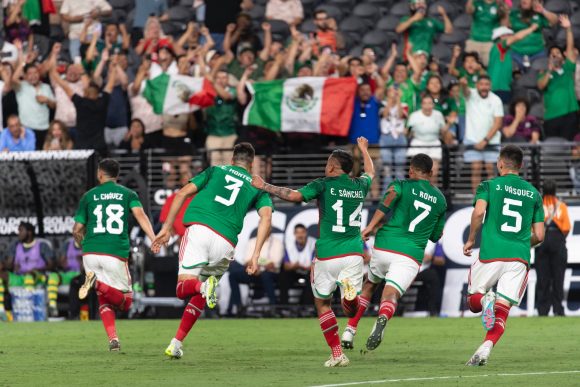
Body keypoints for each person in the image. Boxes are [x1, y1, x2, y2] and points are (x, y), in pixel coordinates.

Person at [252, 137, 375, 367]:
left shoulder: (323, 184)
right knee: (351, 306)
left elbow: (294, 196)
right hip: (353, 253)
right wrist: (364, 150)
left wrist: (265, 186)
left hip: (327, 253)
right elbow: (370, 172)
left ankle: (337, 353)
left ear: (331, 166)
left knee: (322, 303)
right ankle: (349, 295)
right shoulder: (360, 185)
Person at [152, 143, 273, 360]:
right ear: (252, 163)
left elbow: (181, 194)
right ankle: (176, 343)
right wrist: (255, 255)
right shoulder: (257, 185)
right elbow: (266, 217)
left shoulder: (215, 170)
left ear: (232, 159)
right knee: (201, 293)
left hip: (199, 230)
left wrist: (166, 228)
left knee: (183, 289)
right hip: (226, 243)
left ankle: (201, 286)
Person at [341, 154, 447, 351]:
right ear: (431, 173)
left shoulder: (401, 185)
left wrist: (371, 226)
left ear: (411, 171)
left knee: (369, 286)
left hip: (385, 246)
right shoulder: (440, 200)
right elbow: (434, 236)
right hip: (410, 254)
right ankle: (383, 316)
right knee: (391, 294)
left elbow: (388, 201)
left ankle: (349, 330)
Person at [463, 145, 545, 366]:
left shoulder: (488, 185)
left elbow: (479, 212)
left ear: (500, 163)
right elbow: (539, 235)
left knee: (473, 301)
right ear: (521, 166)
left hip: (491, 252)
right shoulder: (534, 194)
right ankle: (485, 348)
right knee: (503, 309)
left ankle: (485, 300)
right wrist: (519, 241)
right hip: (518, 257)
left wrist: (471, 239)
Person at [73, 159, 157, 351]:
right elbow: (141, 216)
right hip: (114, 252)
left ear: (99, 174)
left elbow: (77, 229)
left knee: (104, 298)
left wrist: (82, 244)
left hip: (90, 253)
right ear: (117, 176)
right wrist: (153, 238)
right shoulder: (128, 194)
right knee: (126, 302)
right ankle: (96, 282)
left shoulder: (88, 196)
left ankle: (113, 339)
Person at [49, 50, 117, 155]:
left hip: (83, 146)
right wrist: (114, 67)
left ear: (85, 93)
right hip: (99, 146)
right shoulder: (102, 101)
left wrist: (54, 74)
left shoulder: (80, 102)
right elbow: (110, 85)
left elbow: (65, 87)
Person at [537, 15, 579, 141]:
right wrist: (549, 70)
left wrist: (568, 29)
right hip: (551, 117)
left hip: (569, 115)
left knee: (568, 150)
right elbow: (541, 86)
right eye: (552, 54)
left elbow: (570, 48)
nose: (555, 56)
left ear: (563, 56)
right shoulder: (544, 73)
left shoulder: (568, 69)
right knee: (553, 149)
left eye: (558, 53)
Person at [461, 75, 504, 193]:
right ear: (477, 85)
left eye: (487, 84)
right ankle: (476, 199)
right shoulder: (471, 95)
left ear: (490, 86)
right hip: (472, 139)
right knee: (476, 169)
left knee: (491, 170)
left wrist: (485, 140)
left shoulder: (496, 100)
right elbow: (465, 91)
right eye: (481, 84)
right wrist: (464, 84)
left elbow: (498, 122)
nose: (484, 87)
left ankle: (492, 198)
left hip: (492, 140)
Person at [535, 180, 570, 317]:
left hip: (542, 239)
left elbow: (532, 225)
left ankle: (542, 310)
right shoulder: (561, 205)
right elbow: (566, 228)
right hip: (557, 240)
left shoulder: (537, 205)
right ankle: (558, 310)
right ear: (555, 190)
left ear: (543, 190)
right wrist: (559, 240)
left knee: (542, 277)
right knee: (558, 277)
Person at [227, 234, 284, 316]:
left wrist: (258, 266)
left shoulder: (277, 243)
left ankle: (273, 307)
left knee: (266, 275)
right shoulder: (252, 242)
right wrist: (257, 266)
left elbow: (274, 264)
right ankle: (239, 307)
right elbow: (247, 261)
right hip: (254, 272)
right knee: (233, 275)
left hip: (270, 274)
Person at [406, 95, 453, 185]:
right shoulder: (414, 116)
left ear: (433, 105)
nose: (427, 106)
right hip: (418, 143)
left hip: (434, 143)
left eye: (430, 103)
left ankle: (431, 196)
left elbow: (443, 132)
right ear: (421, 105)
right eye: (425, 103)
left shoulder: (438, 115)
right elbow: (408, 132)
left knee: (433, 173)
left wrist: (449, 124)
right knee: (416, 173)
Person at [488, 25, 539, 104]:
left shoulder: (506, 52)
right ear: (501, 37)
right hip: (497, 88)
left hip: (503, 88)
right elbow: (517, 37)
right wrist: (531, 29)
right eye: (508, 35)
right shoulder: (499, 45)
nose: (511, 37)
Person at [11, 61, 55, 149]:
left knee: (43, 157)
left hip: (44, 127)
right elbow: (13, 80)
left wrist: (47, 100)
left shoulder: (46, 87)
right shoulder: (22, 86)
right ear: (25, 76)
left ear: (39, 74)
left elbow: (53, 106)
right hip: (27, 128)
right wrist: (22, 62)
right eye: (30, 73)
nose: (33, 75)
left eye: (35, 72)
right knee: (28, 156)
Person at [509, 0, 557, 72]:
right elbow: (504, 25)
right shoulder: (514, 14)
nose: (523, 1)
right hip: (516, 53)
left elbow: (554, 21)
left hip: (537, 53)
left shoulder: (539, 14)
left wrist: (543, 11)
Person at [205, 68, 238, 166]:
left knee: (229, 167)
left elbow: (226, 96)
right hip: (213, 135)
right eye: (218, 78)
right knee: (215, 167)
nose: (221, 80)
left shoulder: (232, 91)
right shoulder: (209, 93)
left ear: (228, 80)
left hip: (230, 135)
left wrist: (213, 82)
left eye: (224, 77)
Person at [278, 224, 316, 308]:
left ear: (306, 233)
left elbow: (316, 265)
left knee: (312, 276)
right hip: (294, 270)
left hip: (309, 271)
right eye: (297, 233)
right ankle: (284, 307)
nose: (300, 235)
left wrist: (304, 266)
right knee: (283, 275)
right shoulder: (289, 245)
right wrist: (295, 266)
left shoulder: (313, 243)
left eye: (302, 232)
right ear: (294, 234)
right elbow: (286, 266)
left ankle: (307, 307)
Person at [379, 85, 407, 192]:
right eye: (391, 90)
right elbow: (385, 115)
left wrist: (398, 99)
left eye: (395, 91)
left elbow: (400, 115)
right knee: (387, 169)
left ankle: (401, 193)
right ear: (387, 93)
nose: (394, 93)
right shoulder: (382, 104)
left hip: (400, 137)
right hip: (386, 137)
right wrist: (390, 101)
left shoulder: (404, 105)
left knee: (399, 169)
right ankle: (386, 194)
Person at [465, 0, 505, 67]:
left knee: (490, 67)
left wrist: (504, 11)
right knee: (469, 67)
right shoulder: (477, 2)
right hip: (474, 41)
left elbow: (504, 25)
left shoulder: (499, 5)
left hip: (489, 43)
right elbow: (468, 11)